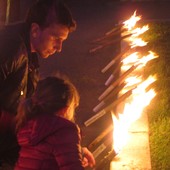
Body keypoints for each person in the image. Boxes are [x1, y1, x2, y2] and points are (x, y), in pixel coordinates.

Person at [0, 0, 95, 167]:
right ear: (36, 30)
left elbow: (36, 110)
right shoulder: (11, 49)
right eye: (56, 38)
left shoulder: (29, 53)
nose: (59, 47)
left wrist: (72, 147)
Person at [14, 76, 95, 169]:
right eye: (74, 107)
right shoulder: (65, 129)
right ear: (66, 109)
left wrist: (80, 151)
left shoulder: (30, 124)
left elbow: (47, 150)